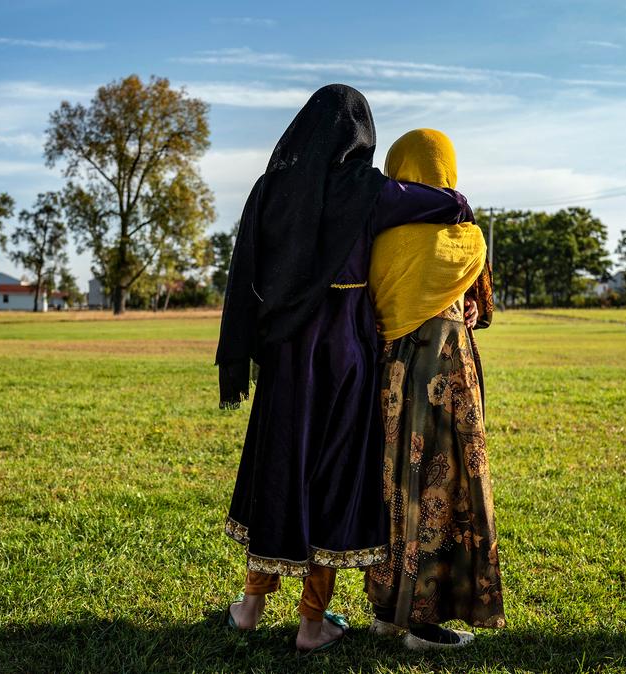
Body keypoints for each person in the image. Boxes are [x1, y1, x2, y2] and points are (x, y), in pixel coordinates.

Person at [216, 86, 474, 655]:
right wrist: (459, 206)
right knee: (332, 477)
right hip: (346, 354)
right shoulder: (366, 189)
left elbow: (245, 272)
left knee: (280, 468)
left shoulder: (268, 190)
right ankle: (312, 623)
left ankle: (250, 607)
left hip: (286, 352)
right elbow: (440, 202)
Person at [364, 129, 505, 650]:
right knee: (443, 492)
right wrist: (469, 309)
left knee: (394, 489)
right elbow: (480, 305)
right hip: (448, 377)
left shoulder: (378, 236)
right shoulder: (467, 236)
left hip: (391, 376)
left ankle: (388, 608)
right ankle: (422, 624)